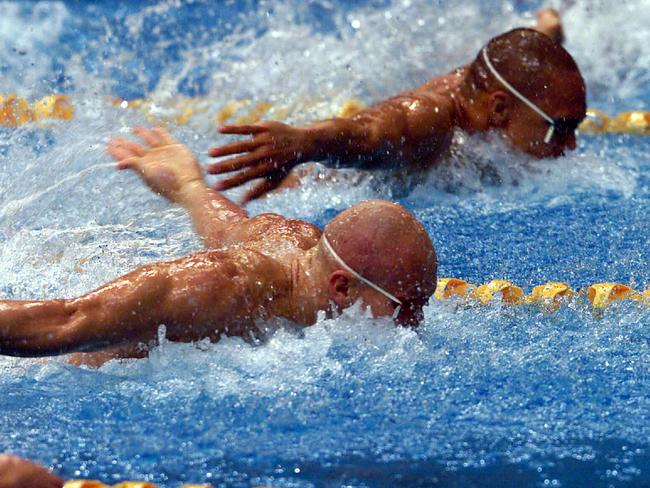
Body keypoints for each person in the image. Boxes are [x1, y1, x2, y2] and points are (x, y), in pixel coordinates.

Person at [0, 128, 437, 363]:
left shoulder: (300, 245)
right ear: (341, 288)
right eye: (405, 305)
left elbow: (234, 229)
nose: (417, 321)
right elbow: (64, 322)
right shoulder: (215, 288)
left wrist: (189, 186)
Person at [206, 11, 585, 202]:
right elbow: (370, 134)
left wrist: (548, 29)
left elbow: (518, 55)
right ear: (499, 110)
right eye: (560, 128)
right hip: (279, 195)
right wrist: (305, 143)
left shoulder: (493, 80)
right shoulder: (432, 121)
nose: (570, 147)